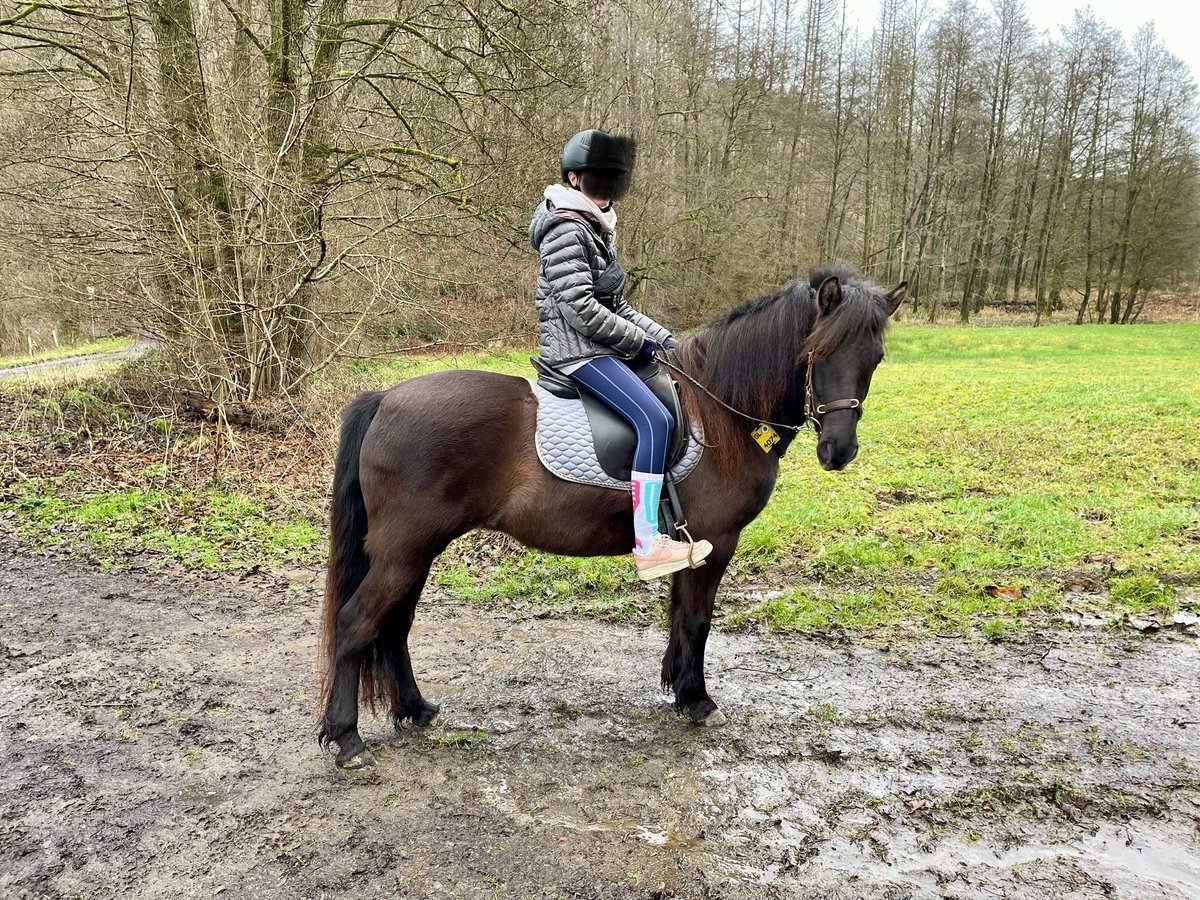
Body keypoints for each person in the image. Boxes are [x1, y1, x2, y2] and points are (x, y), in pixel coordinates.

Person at [529, 129, 713, 580]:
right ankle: (648, 544)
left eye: (614, 179)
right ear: (574, 180)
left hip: (599, 345)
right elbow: (582, 309)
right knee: (655, 419)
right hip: (577, 352)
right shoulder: (566, 227)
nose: (608, 187)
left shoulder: (597, 227)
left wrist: (670, 342)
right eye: (597, 180)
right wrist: (639, 343)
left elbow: (619, 306)